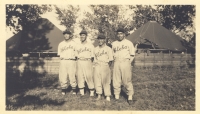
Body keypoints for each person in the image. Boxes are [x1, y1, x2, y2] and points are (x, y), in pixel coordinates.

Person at [112, 28, 136, 105]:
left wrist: (128, 63)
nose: (119, 35)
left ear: (124, 34)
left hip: (125, 61)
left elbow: (132, 55)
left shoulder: (129, 43)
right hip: (116, 62)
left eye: (121, 33)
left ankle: (130, 97)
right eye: (118, 34)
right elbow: (112, 54)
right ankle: (116, 97)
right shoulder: (114, 44)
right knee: (116, 80)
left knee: (127, 80)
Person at [93, 34, 113, 101]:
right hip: (97, 65)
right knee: (97, 80)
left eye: (102, 39)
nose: (100, 40)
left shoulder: (108, 49)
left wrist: (107, 66)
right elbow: (94, 58)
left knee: (106, 81)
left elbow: (110, 60)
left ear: (104, 40)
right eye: (99, 39)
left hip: (105, 64)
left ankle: (107, 95)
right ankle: (99, 94)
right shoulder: (95, 49)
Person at [57, 30, 77, 95]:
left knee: (72, 75)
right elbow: (59, 54)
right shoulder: (61, 44)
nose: (66, 35)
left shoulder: (74, 43)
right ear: (63, 35)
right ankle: (63, 89)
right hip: (63, 60)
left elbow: (76, 54)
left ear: (70, 35)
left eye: (67, 34)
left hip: (71, 60)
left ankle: (74, 89)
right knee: (63, 75)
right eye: (65, 34)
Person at [76, 30, 95, 97]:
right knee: (80, 76)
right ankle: (82, 92)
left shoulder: (90, 45)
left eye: (83, 35)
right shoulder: (77, 45)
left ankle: (92, 92)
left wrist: (89, 62)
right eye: (81, 35)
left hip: (87, 61)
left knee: (89, 76)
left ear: (86, 36)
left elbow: (93, 56)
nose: (82, 36)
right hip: (80, 61)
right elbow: (76, 55)